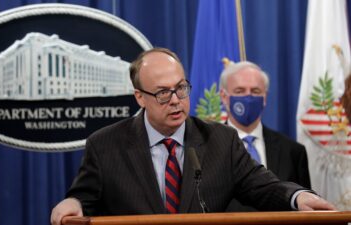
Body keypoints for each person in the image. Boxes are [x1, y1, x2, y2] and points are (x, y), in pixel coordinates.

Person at [51, 48, 335, 225]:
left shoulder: (221, 140)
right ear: (140, 97)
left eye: (181, 88)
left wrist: (297, 197)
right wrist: (72, 204)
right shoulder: (105, 145)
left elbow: (263, 186)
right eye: (163, 93)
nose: (176, 101)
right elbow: (84, 197)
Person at [219, 61, 311, 212]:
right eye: (240, 91)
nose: (248, 97)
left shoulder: (293, 151)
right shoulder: (208, 148)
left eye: (255, 91)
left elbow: (305, 211)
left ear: (265, 97)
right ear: (224, 96)